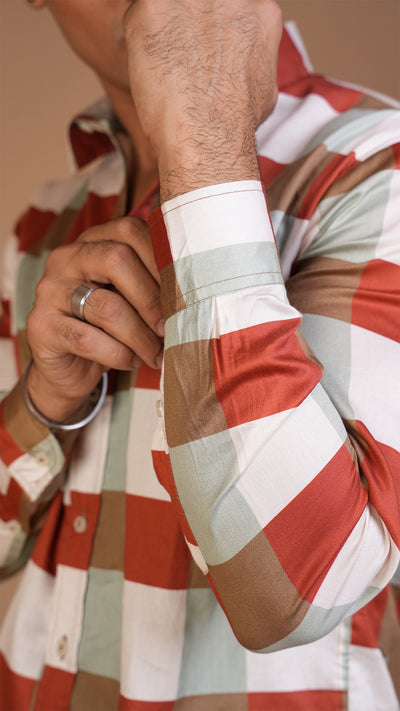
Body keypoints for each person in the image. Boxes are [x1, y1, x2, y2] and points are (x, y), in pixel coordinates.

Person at [1, 0, 399, 708]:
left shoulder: (379, 169)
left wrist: (206, 145)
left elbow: (298, 591)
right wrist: (42, 400)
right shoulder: (46, 219)